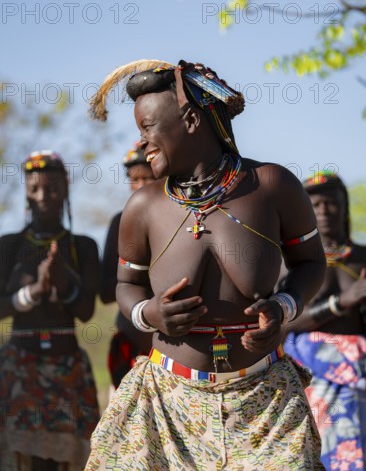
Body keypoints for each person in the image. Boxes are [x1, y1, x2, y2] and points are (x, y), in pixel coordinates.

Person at [85, 59, 326, 470]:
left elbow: (310, 264)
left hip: (264, 404)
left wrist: (283, 307)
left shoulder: (272, 186)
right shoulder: (143, 207)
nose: (142, 142)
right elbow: (126, 284)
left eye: (147, 128)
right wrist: (149, 314)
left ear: (191, 120)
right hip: (165, 406)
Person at [0, 150, 100, 471]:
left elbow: (86, 312)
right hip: (18, 368)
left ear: (66, 190)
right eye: (35, 188)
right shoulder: (9, 246)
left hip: (69, 368)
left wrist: (62, 286)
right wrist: (34, 292)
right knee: (20, 458)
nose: (44, 196)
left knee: (68, 459)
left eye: (53, 188)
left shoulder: (82, 246)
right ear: (26, 192)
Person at [283, 170, 366, 470]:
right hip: (307, 379)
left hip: (359, 381)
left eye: (331, 202)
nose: (324, 210)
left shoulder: (363, 258)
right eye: (315, 204)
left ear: (344, 205)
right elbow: (284, 323)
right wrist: (341, 303)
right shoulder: (290, 264)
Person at [101, 143, 155, 388]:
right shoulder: (119, 222)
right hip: (131, 340)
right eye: (135, 180)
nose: (141, 186)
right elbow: (105, 291)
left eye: (148, 178)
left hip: (171, 347)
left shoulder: (179, 218)